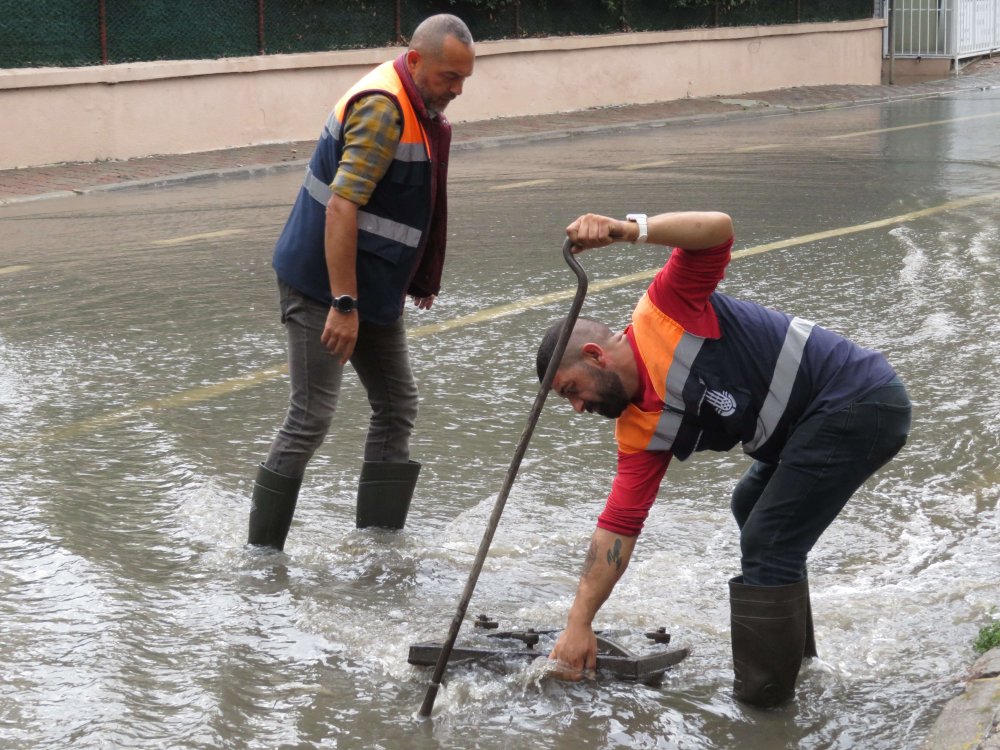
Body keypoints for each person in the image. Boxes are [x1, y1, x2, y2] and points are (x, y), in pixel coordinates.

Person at [536, 210, 911, 707]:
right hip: (810, 426)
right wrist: (578, 624)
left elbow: (717, 229)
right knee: (750, 507)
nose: (579, 408)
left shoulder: (665, 311)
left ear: (595, 355)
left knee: (768, 540)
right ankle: (798, 664)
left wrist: (628, 231)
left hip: (860, 399)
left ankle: (764, 708)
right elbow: (618, 528)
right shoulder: (638, 429)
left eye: (572, 390)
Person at [247, 15, 475, 551]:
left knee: (397, 405)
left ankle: (378, 549)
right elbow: (342, 207)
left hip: (372, 285)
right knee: (310, 417)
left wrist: (411, 279)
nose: (457, 90)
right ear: (414, 61)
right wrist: (344, 303)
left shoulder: (416, 105)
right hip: (322, 286)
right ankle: (261, 557)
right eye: (449, 76)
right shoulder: (383, 109)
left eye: (464, 79)